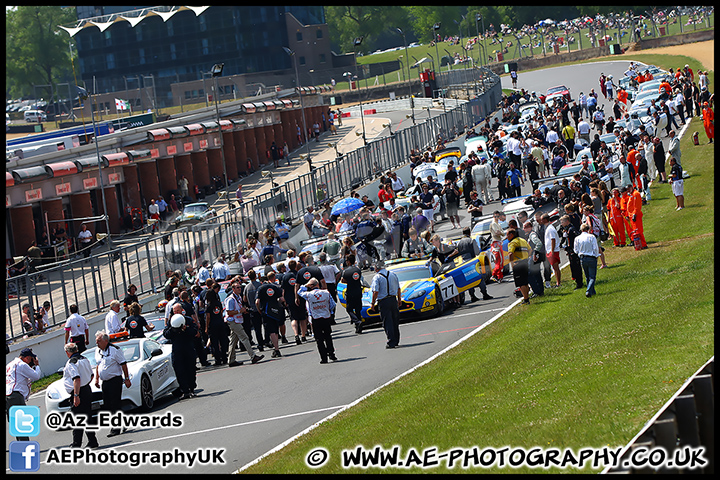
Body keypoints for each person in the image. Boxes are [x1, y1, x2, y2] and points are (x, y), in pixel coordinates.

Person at [62, 342, 99, 448]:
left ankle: (77, 443)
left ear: (67, 352)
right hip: (86, 389)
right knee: (87, 417)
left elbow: (76, 379)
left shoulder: (72, 362)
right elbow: (91, 375)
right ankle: (93, 440)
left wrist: (76, 395)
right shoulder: (84, 359)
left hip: (79, 391)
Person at [94, 330, 131, 437]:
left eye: (99, 341)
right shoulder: (98, 351)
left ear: (105, 341)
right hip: (105, 382)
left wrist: (127, 378)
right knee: (107, 405)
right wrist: (97, 379)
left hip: (115, 380)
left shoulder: (115, 350)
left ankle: (115, 428)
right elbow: (98, 365)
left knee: (115, 403)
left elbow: (123, 364)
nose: (97, 343)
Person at [297, 278, 337, 364]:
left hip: (316, 319)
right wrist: (328, 311)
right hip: (326, 317)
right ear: (318, 284)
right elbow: (333, 304)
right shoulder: (326, 292)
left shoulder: (308, 294)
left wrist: (305, 285)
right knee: (328, 337)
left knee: (319, 339)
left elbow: (299, 292)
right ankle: (331, 353)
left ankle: (324, 358)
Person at [6, 348, 42, 441]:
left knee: (15, 424)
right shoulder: (21, 365)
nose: (30, 361)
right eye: (30, 359)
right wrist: (37, 366)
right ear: (26, 358)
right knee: (22, 424)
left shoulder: (10, 364)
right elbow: (36, 376)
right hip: (16, 395)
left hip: (8, 395)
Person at [225, 281, 264, 367]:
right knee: (245, 337)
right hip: (233, 321)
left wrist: (244, 310)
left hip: (237, 320)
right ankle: (253, 356)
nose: (240, 289)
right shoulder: (230, 299)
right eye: (238, 287)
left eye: (240, 287)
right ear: (233, 289)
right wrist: (239, 311)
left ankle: (231, 360)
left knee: (233, 341)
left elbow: (238, 308)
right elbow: (228, 311)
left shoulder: (238, 297)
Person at [163, 305, 198, 399]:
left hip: (188, 349)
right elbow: (166, 334)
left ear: (182, 310)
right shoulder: (171, 322)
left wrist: (186, 329)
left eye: (178, 310)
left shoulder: (188, 320)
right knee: (179, 371)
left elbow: (195, 331)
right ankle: (185, 390)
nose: (176, 313)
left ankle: (191, 388)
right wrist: (173, 329)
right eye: (175, 311)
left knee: (190, 369)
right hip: (177, 351)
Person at [370, 260, 402, 349]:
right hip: (393, 299)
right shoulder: (393, 274)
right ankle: (396, 339)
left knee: (387, 322)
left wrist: (373, 303)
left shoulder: (377, 277)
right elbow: (398, 288)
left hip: (384, 301)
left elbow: (375, 291)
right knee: (395, 320)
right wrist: (399, 299)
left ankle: (391, 341)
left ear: (377, 267)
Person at [455, 227, 493, 302]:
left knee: (469, 279)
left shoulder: (459, 242)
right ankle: (484, 294)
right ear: (469, 233)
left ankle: (472, 296)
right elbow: (477, 252)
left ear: (463, 234)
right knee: (479, 278)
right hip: (472, 262)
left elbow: (458, 252)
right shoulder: (472, 240)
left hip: (464, 263)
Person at [255, 271, 287, 358]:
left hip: (266, 311)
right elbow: (282, 299)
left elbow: (257, 301)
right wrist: (278, 305)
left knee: (271, 331)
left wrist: (259, 310)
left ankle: (276, 349)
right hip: (275, 311)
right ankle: (276, 348)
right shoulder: (275, 287)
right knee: (275, 330)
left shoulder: (261, 289)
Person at [340, 254, 365, 334]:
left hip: (351, 292)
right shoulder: (358, 270)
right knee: (358, 309)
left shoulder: (346, 271)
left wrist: (349, 281)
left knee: (349, 309)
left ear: (348, 261)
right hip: (358, 290)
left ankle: (357, 321)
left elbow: (343, 280)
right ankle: (359, 326)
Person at [574, 223, 600, 298]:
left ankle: (592, 291)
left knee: (587, 276)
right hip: (591, 257)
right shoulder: (591, 237)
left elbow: (576, 250)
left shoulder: (577, 238)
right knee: (592, 276)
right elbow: (595, 248)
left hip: (582, 257)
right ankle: (588, 290)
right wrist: (596, 255)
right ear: (588, 229)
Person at [506, 229, 531, 305]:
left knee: (521, 283)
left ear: (511, 235)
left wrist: (512, 264)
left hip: (518, 263)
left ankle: (526, 300)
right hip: (525, 262)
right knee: (525, 282)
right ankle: (527, 297)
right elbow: (530, 250)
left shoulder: (512, 243)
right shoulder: (522, 240)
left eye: (507, 235)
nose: (506, 237)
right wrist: (526, 257)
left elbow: (510, 254)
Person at [523, 221, 545, 297]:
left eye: (525, 227)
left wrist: (535, 253)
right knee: (537, 273)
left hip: (534, 256)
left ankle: (537, 291)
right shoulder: (530, 235)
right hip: (534, 256)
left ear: (529, 227)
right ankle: (540, 291)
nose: (524, 229)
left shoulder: (532, 235)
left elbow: (539, 243)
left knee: (531, 275)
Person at [541, 213, 561, 288]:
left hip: (553, 250)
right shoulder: (548, 227)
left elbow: (553, 239)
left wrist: (552, 251)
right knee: (554, 267)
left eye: (542, 219)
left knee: (555, 267)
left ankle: (558, 283)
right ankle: (557, 282)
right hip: (549, 250)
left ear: (545, 219)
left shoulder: (550, 228)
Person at [489, 211, 505, 282]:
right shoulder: (493, 224)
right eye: (495, 216)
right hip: (496, 244)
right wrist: (501, 233)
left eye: (498, 216)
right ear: (493, 216)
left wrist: (501, 233)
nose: (497, 218)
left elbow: (502, 233)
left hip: (498, 243)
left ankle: (499, 276)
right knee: (499, 261)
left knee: (500, 261)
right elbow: (497, 233)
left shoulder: (498, 224)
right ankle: (494, 275)